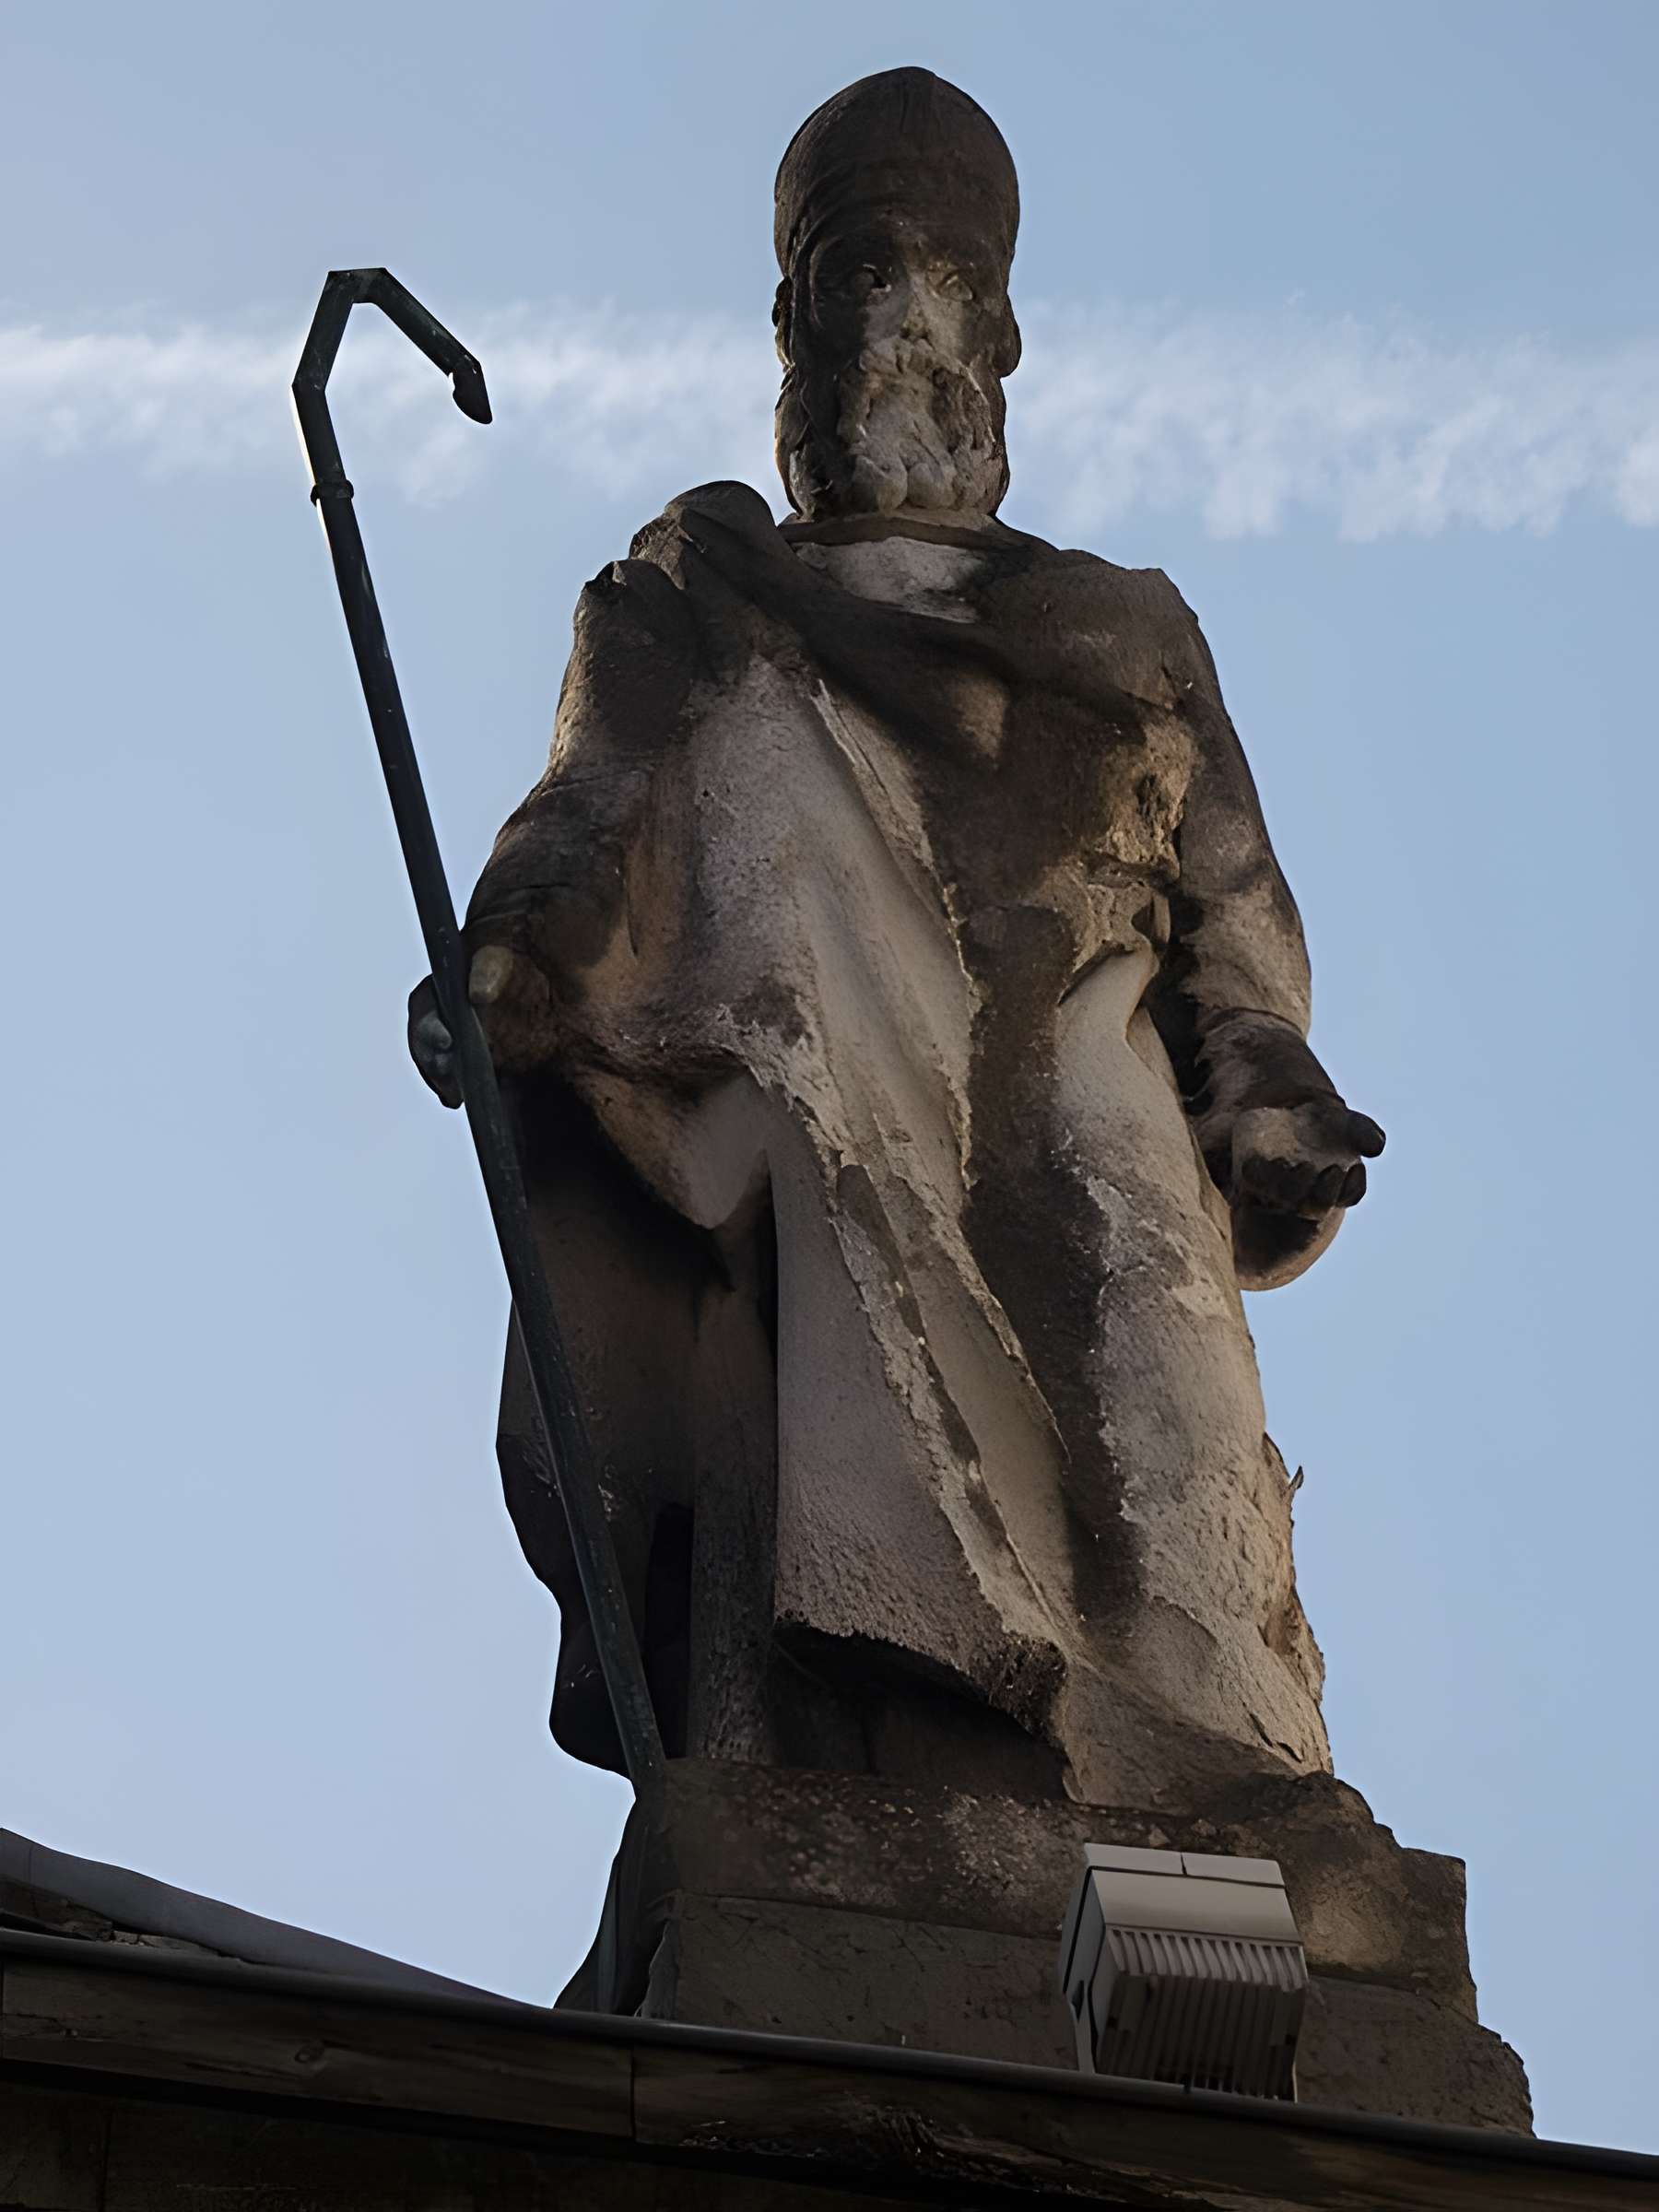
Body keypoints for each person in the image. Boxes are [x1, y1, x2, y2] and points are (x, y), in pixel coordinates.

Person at [409, 68, 1383, 1811]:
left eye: (942, 308)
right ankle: (861, 1755)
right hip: (791, 1100)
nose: (903, 349)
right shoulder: (694, 594)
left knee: (1158, 1383)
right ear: (796, 342)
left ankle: (1216, 1792)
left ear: (999, 348)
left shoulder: (1123, 637)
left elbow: (1233, 945)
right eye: (863, 299)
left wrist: (1268, 1095)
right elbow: (585, 812)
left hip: (1079, 1091)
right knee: (771, 802)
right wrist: (516, 956)